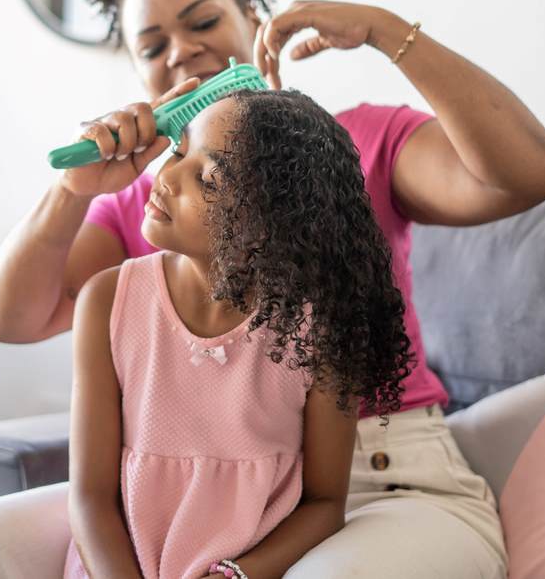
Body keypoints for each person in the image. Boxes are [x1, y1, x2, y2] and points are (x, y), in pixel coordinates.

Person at [0, 0, 545, 578]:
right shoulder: (149, 203)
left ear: (253, 22)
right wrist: (71, 192)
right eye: (152, 46)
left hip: (382, 478)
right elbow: (7, 319)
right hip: (202, 500)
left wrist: (385, 32)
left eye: (203, 22)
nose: (182, 52)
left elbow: (529, 173)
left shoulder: (350, 153)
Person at [66, 89, 413, 579]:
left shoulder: (320, 326)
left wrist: (235, 575)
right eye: (179, 151)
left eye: (206, 179)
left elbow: (325, 504)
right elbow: (89, 496)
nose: (166, 178)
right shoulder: (107, 301)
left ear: (270, 226)